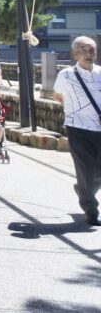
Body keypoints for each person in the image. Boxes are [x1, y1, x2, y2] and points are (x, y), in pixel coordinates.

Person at [53, 36, 101, 226]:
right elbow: (57, 95)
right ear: (75, 54)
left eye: (92, 50)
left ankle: (83, 189)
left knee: (97, 171)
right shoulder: (66, 75)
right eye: (84, 50)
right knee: (85, 168)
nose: (89, 54)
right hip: (78, 128)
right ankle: (91, 209)